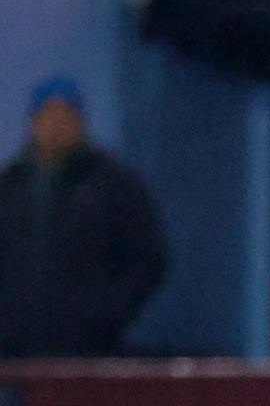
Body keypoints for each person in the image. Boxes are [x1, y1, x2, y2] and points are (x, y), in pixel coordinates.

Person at [0, 78, 168, 360]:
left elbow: (148, 259)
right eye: (48, 115)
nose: (56, 125)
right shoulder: (10, 186)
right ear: (33, 121)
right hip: (15, 350)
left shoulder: (113, 184)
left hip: (87, 349)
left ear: (80, 121)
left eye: (66, 115)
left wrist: (104, 315)